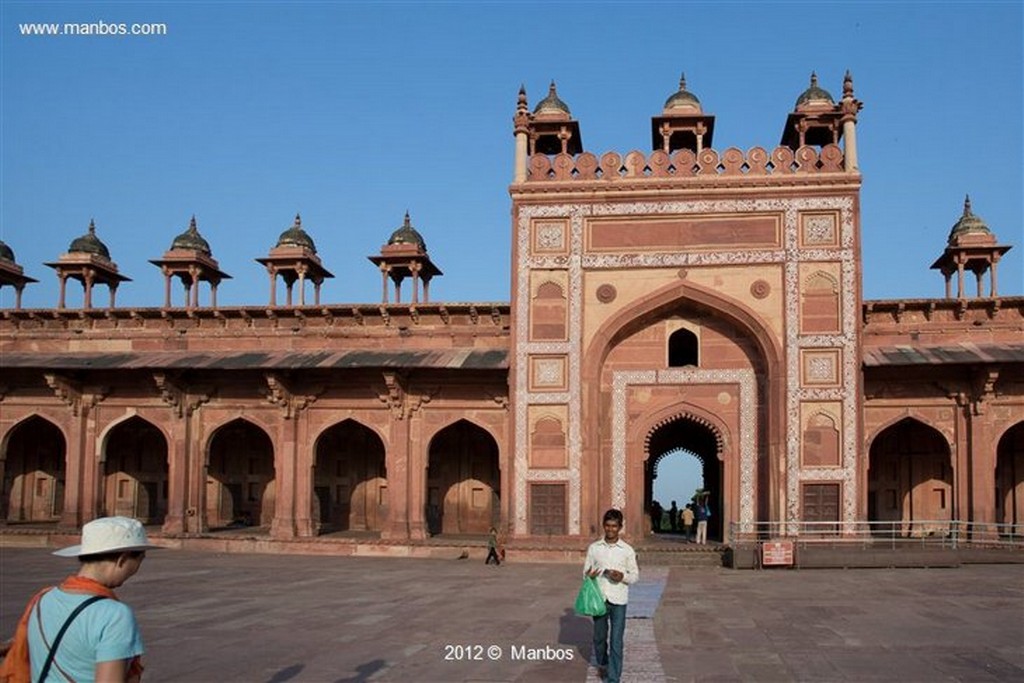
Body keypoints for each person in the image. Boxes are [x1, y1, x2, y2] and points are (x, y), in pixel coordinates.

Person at [1, 516, 159, 683]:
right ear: (123, 559)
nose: (136, 570)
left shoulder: (41, 600)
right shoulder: (115, 615)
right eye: (139, 561)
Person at [583, 508, 639, 683]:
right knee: (599, 638)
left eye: (614, 526)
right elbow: (585, 572)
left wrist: (622, 576)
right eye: (607, 526)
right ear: (603, 526)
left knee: (616, 641)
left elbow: (635, 575)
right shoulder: (594, 548)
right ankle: (603, 663)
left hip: (619, 599)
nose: (610, 529)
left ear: (620, 527)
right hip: (599, 599)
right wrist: (590, 575)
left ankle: (614, 678)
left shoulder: (627, 550)